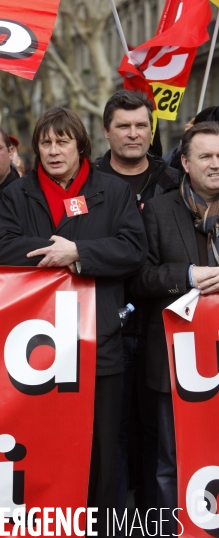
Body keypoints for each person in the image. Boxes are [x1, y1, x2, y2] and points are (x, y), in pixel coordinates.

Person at [0, 107, 148, 535]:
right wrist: (53, 252)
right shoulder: (18, 194)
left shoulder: (112, 192)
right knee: (41, 440)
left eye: (63, 141)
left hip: (98, 339)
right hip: (35, 344)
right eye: (46, 142)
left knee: (101, 446)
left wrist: (78, 254)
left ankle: (100, 526)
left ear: (81, 146)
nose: (54, 150)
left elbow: (133, 251)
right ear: (36, 147)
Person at [95, 90, 180, 522]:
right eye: (123, 126)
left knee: (160, 436)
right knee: (111, 437)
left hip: (164, 333)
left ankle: (155, 523)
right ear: (106, 131)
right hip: (103, 331)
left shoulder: (173, 180)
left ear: (152, 130)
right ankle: (115, 524)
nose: (133, 134)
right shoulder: (88, 182)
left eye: (141, 125)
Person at [131, 121, 219, 536]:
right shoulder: (159, 210)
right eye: (205, 156)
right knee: (173, 460)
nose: (216, 164)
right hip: (175, 363)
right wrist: (185, 275)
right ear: (184, 163)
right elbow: (139, 277)